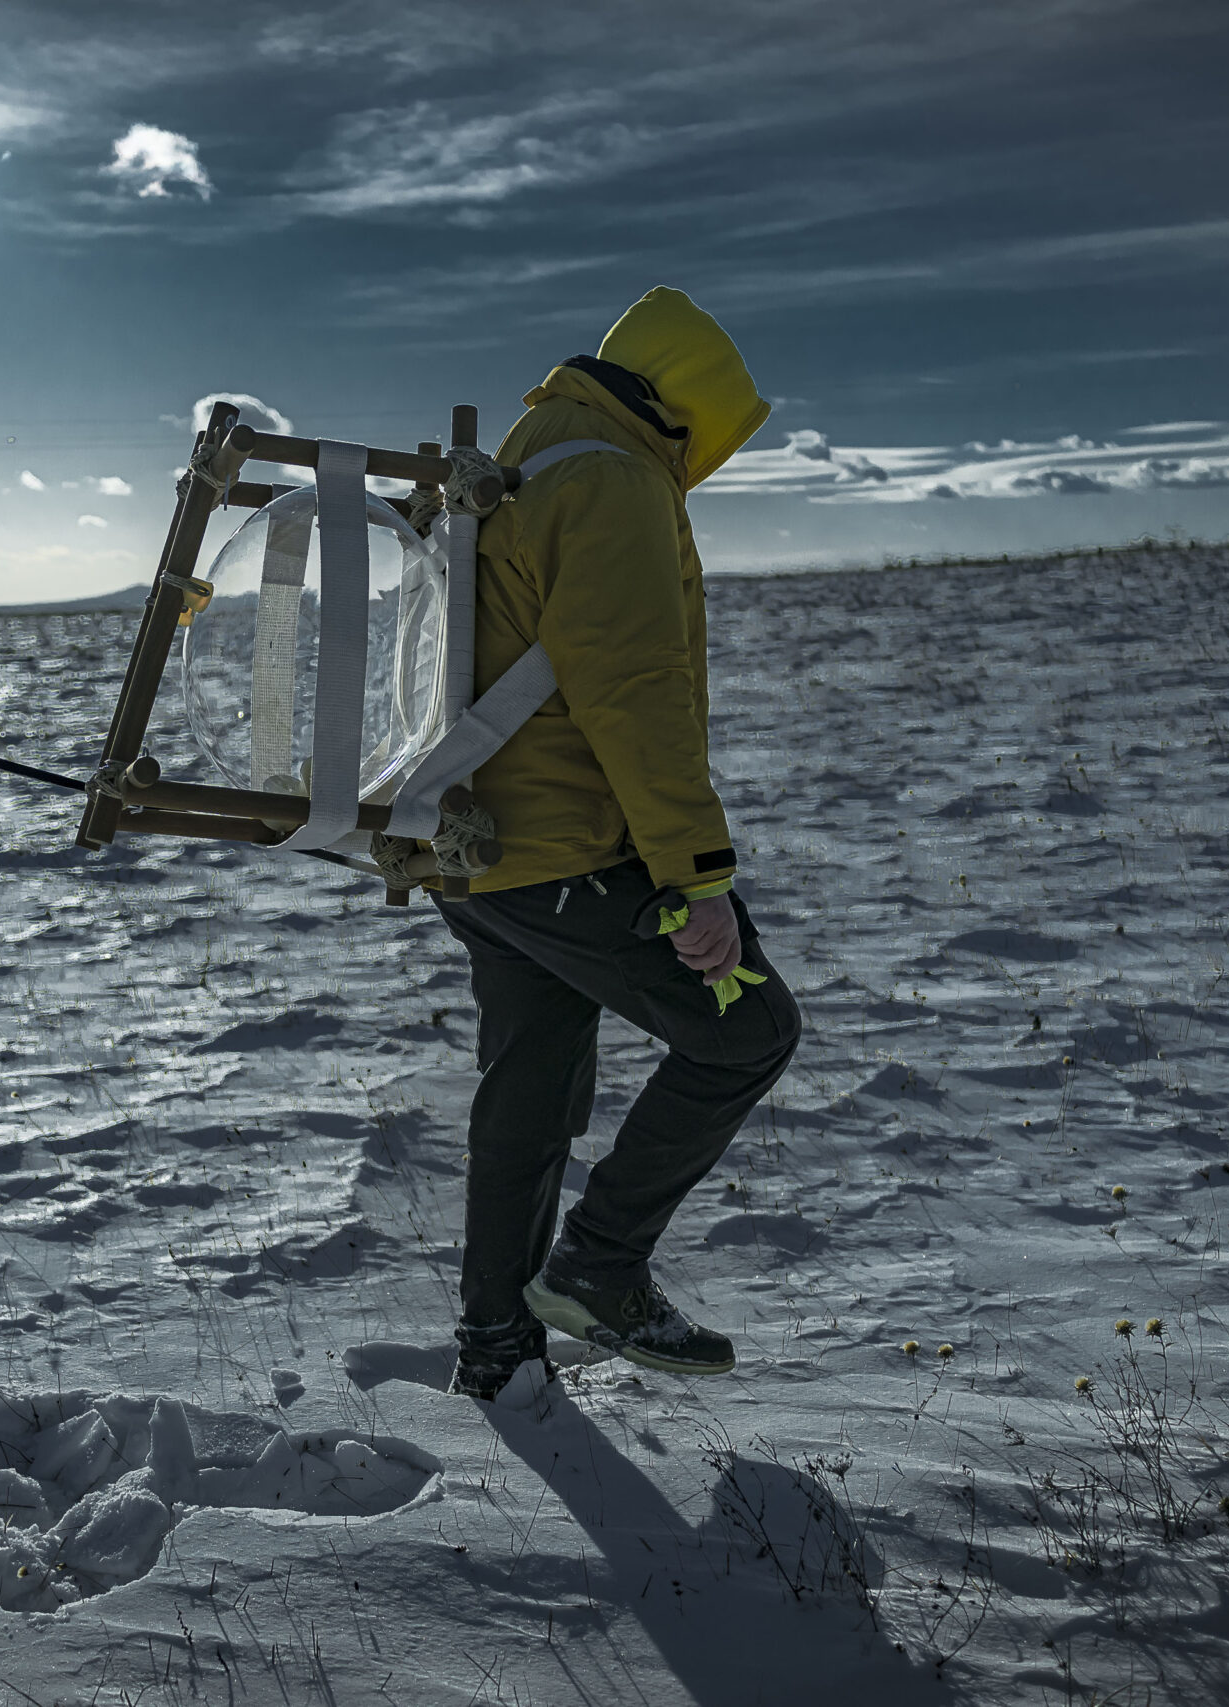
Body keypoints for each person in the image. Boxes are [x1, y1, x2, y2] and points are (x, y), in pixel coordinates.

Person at [442, 286, 804, 1401]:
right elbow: (635, 693)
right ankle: (598, 1266)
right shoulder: (611, 478)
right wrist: (697, 878)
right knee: (747, 1032)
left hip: (481, 846)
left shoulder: (533, 454)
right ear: (686, 411)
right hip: (566, 846)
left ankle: (497, 1351)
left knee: (531, 1089)